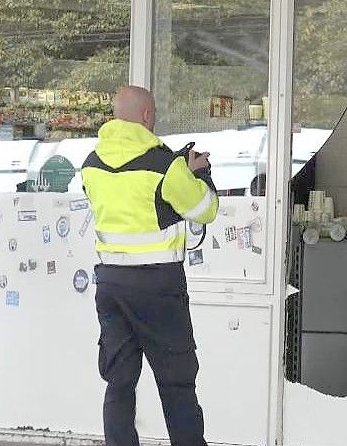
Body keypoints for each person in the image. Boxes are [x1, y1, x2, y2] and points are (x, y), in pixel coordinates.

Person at [81, 86, 218, 446]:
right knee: (176, 382)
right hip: (158, 286)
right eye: (153, 113)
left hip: (110, 284)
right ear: (146, 116)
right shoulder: (163, 163)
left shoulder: (91, 164)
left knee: (119, 380)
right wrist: (198, 174)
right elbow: (205, 210)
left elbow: (133, 199)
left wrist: (176, 173)